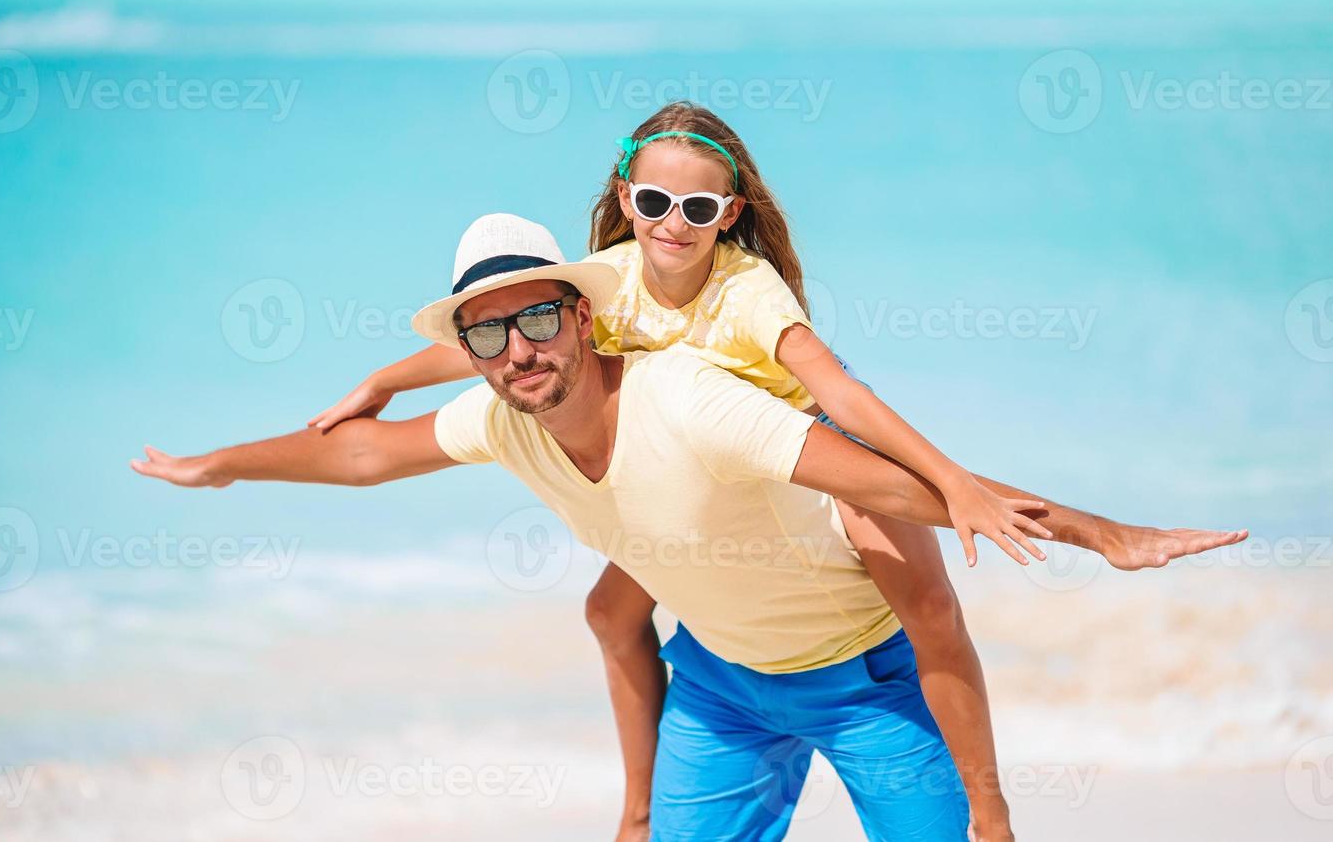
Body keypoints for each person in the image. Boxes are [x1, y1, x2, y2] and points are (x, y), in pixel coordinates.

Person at [132, 213, 1246, 841]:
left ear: (582, 312)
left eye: (536, 316)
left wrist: (1101, 531)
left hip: (867, 681)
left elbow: (904, 483)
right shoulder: (501, 419)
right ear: (468, 353)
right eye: (489, 335)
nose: (518, 350)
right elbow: (366, 450)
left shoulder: (694, 398)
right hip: (715, 685)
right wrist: (223, 466)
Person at [303, 104, 1076, 840]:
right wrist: (384, 382)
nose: (675, 223)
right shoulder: (609, 278)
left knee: (927, 605)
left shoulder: (747, 288)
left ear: (728, 216)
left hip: (802, 441)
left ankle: (990, 815)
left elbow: (838, 387)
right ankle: (640, 813)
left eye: (698, 210)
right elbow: (491, 328)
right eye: (655, 201)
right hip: (694, 468)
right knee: (610, 610)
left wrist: (954, 478)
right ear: (626, 199)